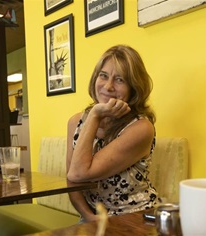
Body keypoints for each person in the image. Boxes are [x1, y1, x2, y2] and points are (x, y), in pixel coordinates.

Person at [66, 45, 161, 222]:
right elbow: (72, 181)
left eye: (120, 80)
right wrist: (88, 216)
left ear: (133, 88)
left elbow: (79, 173)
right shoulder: (75, 122)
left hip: (134, 217)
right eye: (103, 76)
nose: (108, 86)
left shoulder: (141, 129)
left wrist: (94, 115)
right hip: (93, 218)